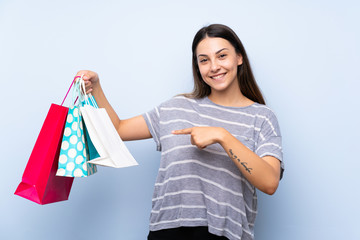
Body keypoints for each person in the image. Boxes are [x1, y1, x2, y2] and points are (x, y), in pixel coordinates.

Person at [77, 24, 284, 240]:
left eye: (222, 56)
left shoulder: (262, 117)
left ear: (239, 57)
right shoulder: (176, 108)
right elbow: (118, 130)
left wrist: (223, 136)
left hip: (224, 234)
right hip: (166, 231)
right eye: (204, 60)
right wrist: (96, 88)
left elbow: (269, 182)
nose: (214, 66)